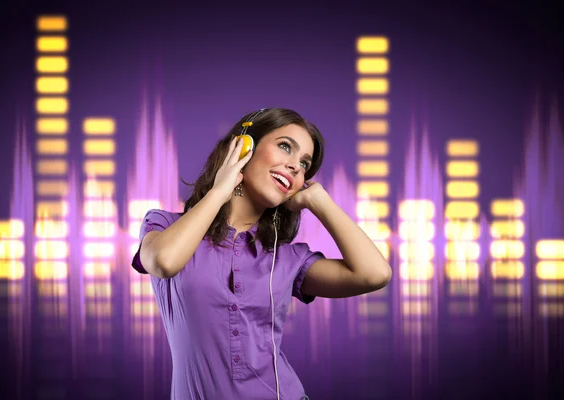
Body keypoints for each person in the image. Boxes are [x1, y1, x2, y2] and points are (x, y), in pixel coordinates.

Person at [131, 108, 392, 400]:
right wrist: (221, 189)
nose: (296, 167)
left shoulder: (287, 260)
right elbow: (163, 262)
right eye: (285, 147)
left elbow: (375, 274)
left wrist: (320, 201)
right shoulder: (165, 225)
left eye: (305, 163)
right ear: (243, 147)